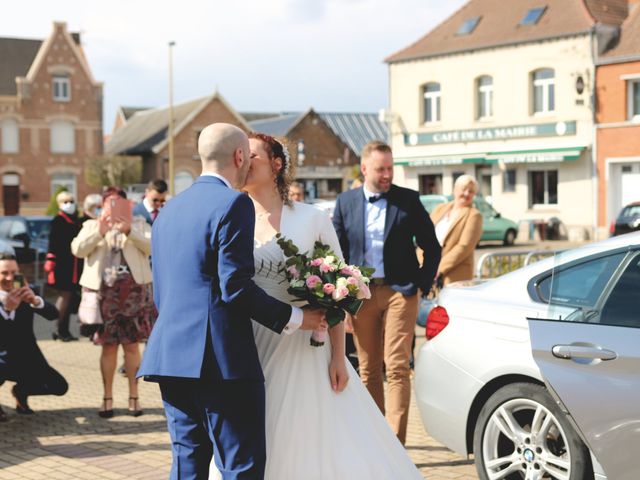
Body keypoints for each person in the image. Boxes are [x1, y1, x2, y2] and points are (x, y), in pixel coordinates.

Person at [208, 132, 423, 479]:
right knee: (255, 433)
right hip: (250, 346)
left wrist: (338, 355)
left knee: (308, 435)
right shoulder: (233, 217)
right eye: (240, 155)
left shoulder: (311, 219)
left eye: (253, 156)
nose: (243, 162)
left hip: (308, 349)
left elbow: (338, 288)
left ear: (277, 165)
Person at [138, 123, 327, 480]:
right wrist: (299, 319)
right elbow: (235, 287)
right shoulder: (233, 203)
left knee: (187, 465)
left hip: (170, 354)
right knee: (241, 466)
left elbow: (161, 291)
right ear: (239, 156)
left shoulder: (169, 210)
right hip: (221, 359)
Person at [332, 140, 441, 444]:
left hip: (400, 292)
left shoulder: (408, 200)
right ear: (364, 168)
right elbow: (338, 254)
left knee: (396, 365)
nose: (387, 174)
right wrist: (343, 302)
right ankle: (374, 439)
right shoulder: (345, 203)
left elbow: (432, 247)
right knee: (368, 368)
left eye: (391, 168)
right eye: (381, 169)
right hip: (361, 295)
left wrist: (421, 284)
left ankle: (395, 441)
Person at [71, 187, 154, 418]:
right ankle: (107, 397)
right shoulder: (91, 225)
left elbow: (152, 247)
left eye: (119, 203)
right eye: (110, 203)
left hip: (134, 292)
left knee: (131, 346)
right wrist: (100, 230)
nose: (114, 207)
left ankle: (134, 396)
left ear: (127, 205)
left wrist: (129, 231)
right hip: (104, 294)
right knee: (108, 347)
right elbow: (77, 250)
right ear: (103, 206)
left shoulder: (138, 223)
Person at [0, 253, 67, 421]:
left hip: (26, 355)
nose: (10, 278)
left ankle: (20, 392)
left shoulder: (28, 291)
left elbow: (53, 315)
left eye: (14, 273)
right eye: (4, 273)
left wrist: (36, 301)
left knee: (59, 386)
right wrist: (7, 311)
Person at [430, 174, 483, 285]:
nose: (466, 194)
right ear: (455, 189)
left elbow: (464, 247)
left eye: (471, 191)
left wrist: (439, 268)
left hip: (454, 275)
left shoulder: (474, 215)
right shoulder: (440, 209)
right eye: (464, 189)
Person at [44, 190, 82, 342]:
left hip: (73, 265)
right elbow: (53, 245)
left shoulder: (74, 220)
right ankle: (59, 330)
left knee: (69, 297)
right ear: (59, 204)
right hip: (62, 266)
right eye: (65, 202)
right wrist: (51, 262)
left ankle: (63, 330)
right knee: (64, 297)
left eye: (71, 201)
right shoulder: (58, 221)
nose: (69, 204)